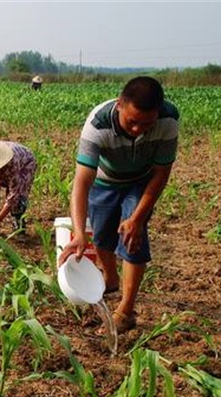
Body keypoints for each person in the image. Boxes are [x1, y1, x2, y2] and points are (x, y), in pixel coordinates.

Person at [57, 76, 179, 334]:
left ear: (158, 113)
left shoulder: (168, 120)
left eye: (147, 124)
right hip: (105, 181)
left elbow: (161, 173)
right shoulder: (97, 125)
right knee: (101, 237)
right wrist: (80, 233)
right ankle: (110, 279)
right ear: (120, 104)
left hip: (141, 181)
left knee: (133, 238)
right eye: (132, 122)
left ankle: (125, 310)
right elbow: (81, 183)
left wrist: (137, 218)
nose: (138, 129)